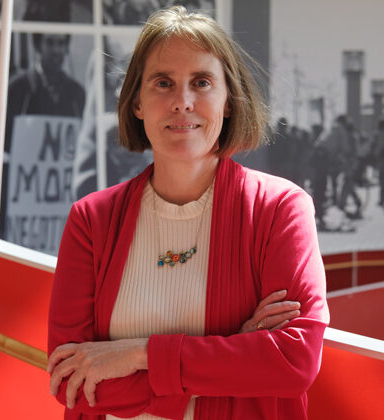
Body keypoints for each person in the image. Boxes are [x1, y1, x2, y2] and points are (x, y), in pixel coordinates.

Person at [47, 6, 329, 420]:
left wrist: (138, 354)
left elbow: (293, 361)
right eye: (163, 83)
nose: (182, 102)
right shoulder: (91, 220)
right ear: (137, 102)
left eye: (201, 82)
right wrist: (232, 350)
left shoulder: (280, 209)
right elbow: (71, 381)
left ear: (229, 101)